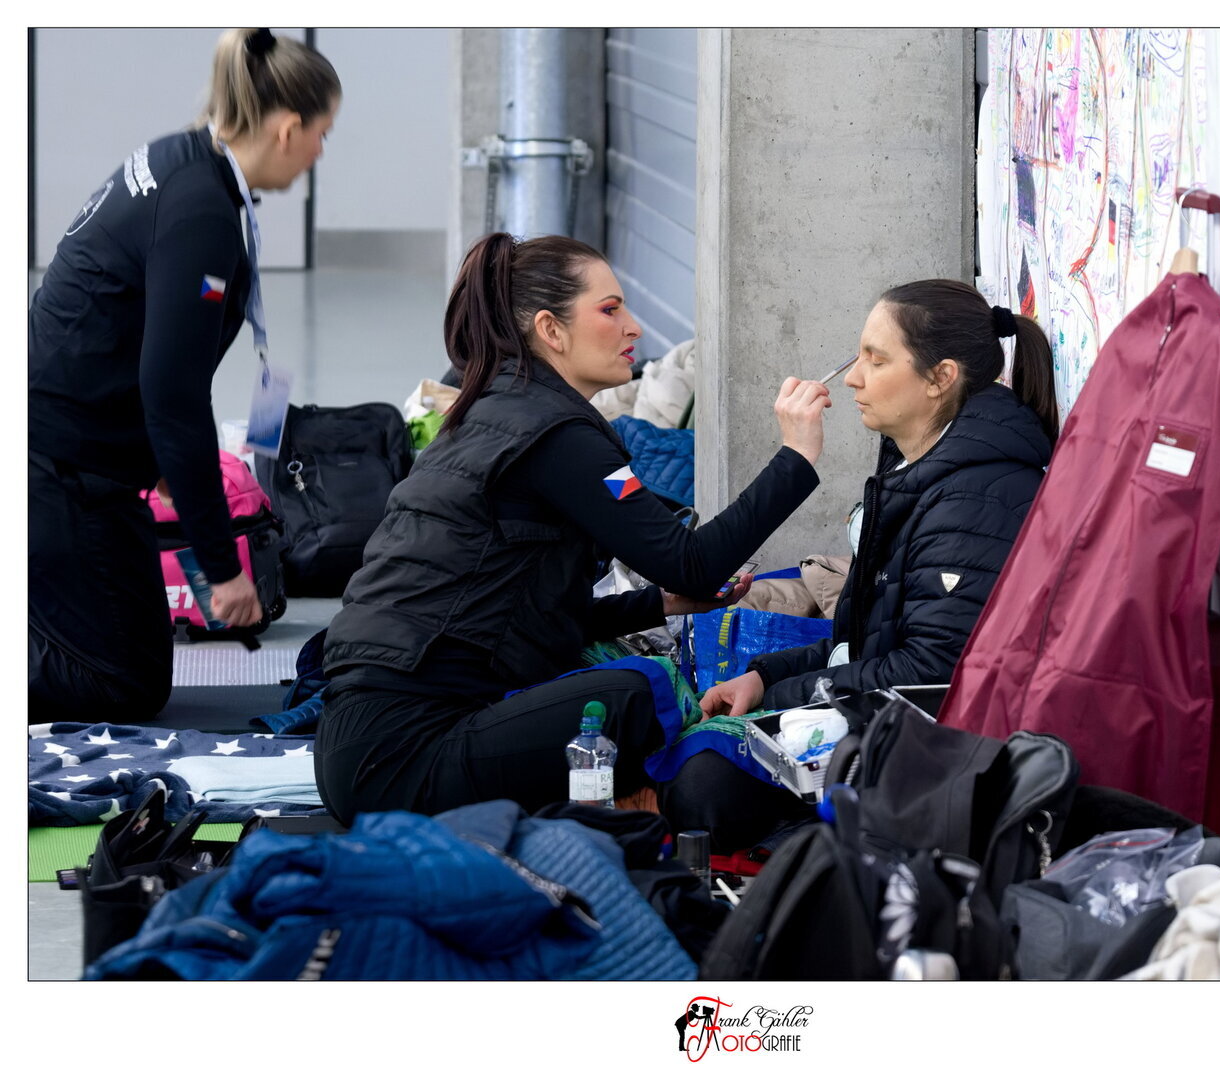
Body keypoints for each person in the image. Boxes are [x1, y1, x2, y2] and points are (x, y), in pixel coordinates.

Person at [314, 232, 833, 823]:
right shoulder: (556, 434)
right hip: (404, 758)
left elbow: (527, 617)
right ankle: (651, 815)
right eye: (610, 310)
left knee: (598, 664)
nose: (634, 327)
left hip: (357, 749)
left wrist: (662, 604)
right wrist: (797, 455)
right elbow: (693, 562)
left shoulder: (496, 411)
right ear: (551, 330)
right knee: (641, 692)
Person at [667, 278, 1060, 849]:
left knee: (702, 789)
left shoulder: (975, 497)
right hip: (884, 727)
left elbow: (929, 674)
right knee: (690, 743)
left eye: (876, 361)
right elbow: (868, 642)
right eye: (857, 358)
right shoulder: (921, 464)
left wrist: (782, 699)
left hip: (934, 756)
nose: (853, 378)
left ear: (940, 378)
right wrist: (765, 677)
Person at [29, 28, 340, 721]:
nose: (321, 151)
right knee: (120, 685)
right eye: (322, 134)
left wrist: (166, 465)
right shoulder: (202, 210)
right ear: (288, 128)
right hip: (57, 465)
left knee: (134, 654)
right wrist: (222, 565)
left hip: (83, 455)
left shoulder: (185, 161)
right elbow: (172, 394)